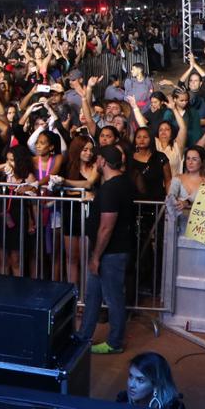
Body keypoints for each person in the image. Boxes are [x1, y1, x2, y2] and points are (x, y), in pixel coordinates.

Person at [75, 144, 135, 355]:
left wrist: (96, 257)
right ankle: (83, 336)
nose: (95, 161)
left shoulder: (111, 188)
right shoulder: (123, 182)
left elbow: (106, 226)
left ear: (103, 161)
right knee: (93, 295)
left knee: (113, 297)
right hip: (112, 251)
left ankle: (115, 342)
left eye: (98, 158)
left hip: (110, 253)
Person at [117, 352, 185, 409]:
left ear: (156, 383)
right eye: (131, 376)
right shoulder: (122, 399)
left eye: (140, 380)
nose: (131, 385)